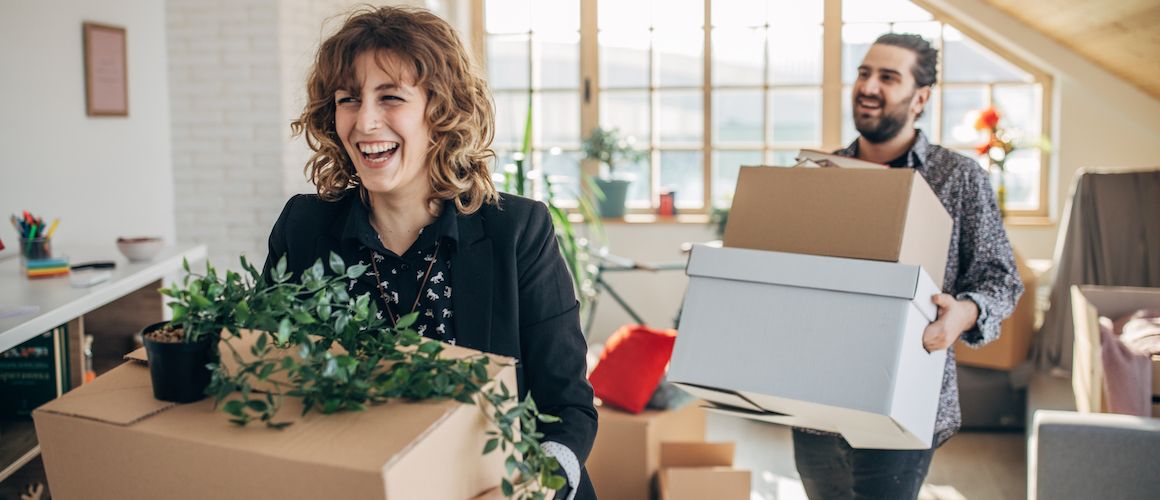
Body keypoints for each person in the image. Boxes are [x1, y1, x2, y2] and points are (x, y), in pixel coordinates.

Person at [260, 7, 597, 499]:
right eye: (348, 99)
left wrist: (535, 487)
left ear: (440, 112)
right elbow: (267, 374)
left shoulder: (518, 230)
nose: (365, 120)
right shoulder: (304, 227)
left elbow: (568, 405)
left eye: (390, 97)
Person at [791, 33, 1024, 499]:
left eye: (888, 77)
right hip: (817, 401)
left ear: (920, 98)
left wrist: (964, 312)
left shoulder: (958, 177)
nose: (868, 86)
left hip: (906, 403)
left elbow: (1002, 278)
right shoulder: (820, 176)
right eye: (863, 73)